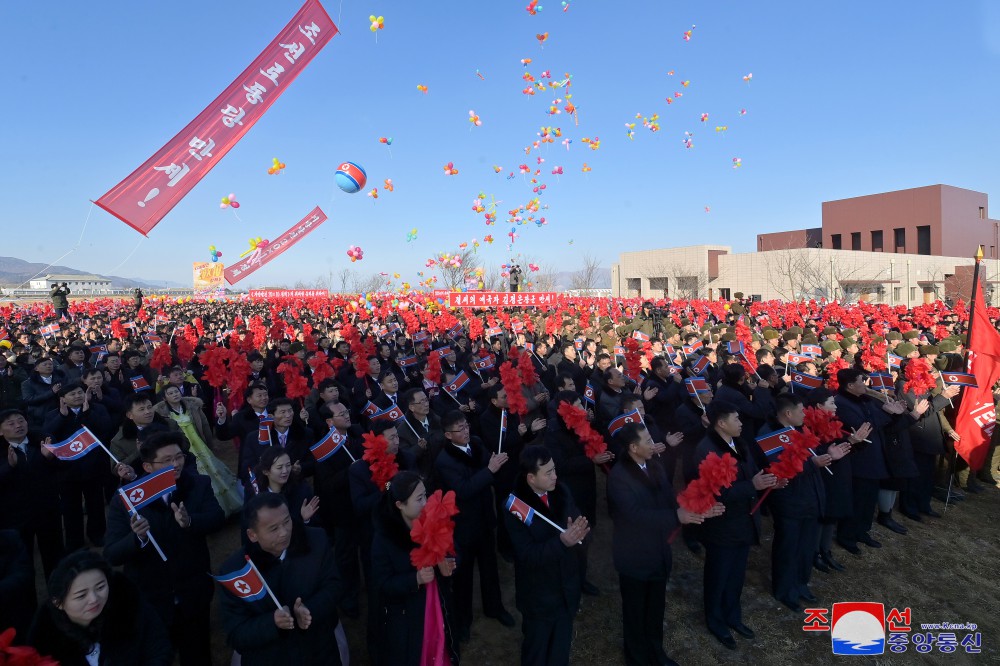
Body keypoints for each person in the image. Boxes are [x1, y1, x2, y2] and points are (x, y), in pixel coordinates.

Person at [104, 432, 224, 666]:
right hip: (151, 597)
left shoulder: (198, 484)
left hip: (193, 590)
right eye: (167, 460)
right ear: (147, 466)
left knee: (198, 654)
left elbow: (216, 517)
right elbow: (112, 553)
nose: (176, 464)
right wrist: (137, 538)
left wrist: (190, 522)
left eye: (179, 457)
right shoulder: (127, 499)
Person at [609, 424, 720, 666]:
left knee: (655, 608)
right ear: (633, 448)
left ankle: (656, 652)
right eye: (647, 440)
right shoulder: (619, 477)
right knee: (635, 612)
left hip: (658, 551)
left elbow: (670, 499)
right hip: (634, 556)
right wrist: (675, 517)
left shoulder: (654, 464)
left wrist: (696, 508)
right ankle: (637, 657)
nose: (654, 443)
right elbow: (633, 516)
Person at [218, 493, 344, 666]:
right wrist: (272, 622)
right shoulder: (236, 572)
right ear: (252, 535)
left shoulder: (316, 540)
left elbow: (334, 585)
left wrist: (309, 610)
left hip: (319, 651)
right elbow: (236, 634)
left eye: (287, 521)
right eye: (273, 529)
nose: (284, 533)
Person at [694, 401, 777, 650]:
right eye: (736, 419)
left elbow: (750, 472)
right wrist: (753, 485)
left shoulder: (738, 442)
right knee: (719, 574)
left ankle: (733, 615)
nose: (741, 423)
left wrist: (767, 480)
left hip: (743, 521)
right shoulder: (708, 450)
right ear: (721, 423)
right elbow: (717, 492)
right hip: (722, 524)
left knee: (736, 573)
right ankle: (715, 620)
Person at [505, 445, 590, 666]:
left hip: (566, 588)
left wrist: (580, 531)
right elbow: (527, 555)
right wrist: (562, 542)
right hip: (539, 596)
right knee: (537, 651)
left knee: (560, 651)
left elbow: (574, 517)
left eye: (554, 469)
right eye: (549, 472)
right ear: (531, 478)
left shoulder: (561, 491)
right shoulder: (517, 508)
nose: (555, 476)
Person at [435, 409, 515, 641]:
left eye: (466, 426)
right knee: (464, 576)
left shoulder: (477, 443)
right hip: (463, 525)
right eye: (460, 429)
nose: (466, 431)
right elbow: (463, 490)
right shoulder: (445, 460)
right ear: (448, 435)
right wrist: (489, 470)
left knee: (490, 568)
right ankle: (463, 621)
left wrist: (494, 467)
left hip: (485, 517)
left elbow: (490, 469)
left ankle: (495, 607)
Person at [371, 471, 459, 666]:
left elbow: (452, 549)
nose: (426, 502)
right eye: (419, 499)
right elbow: (382, 584)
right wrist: (415, 579)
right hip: (409, 618)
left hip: (438, 604)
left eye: (425, 495)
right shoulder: (385, 539)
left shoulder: (433, 520)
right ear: (400, 505)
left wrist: (449, 563)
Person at [27, 550, 172, 666]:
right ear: (58, 603)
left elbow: (158, 649)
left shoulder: (130, 605)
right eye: (81, 595)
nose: (94, 599)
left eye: (100, 587)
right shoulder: (43, 640)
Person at [155, 385, 243, 516]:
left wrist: (210, 444)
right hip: (184, 449)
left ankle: (230, 505)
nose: (175, 394)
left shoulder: (192, 406)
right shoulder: (164, 415)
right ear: (164, 398)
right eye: (170, 393)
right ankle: (212, 510)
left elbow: (206, 426)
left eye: (176, 391)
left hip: (200, 445)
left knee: (214, 471)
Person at [0, 408, 64, 578]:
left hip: (48, 510)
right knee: (22, 564)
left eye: (21, 421)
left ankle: (58, 596)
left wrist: (49, 459)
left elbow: (62, 469)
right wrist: (9, 467)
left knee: (55, 557)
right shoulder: (3, 453)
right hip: (15, 517)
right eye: (11, 423)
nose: (18, 426)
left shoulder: (42, 442)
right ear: (1, 430)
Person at [253, 446, 320, 525]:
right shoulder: (257, 494)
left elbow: (316, 526)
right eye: (279, 467)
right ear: (266, 471)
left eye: (288, 465)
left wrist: (306, 520)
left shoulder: (301, 491)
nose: (285, 471)